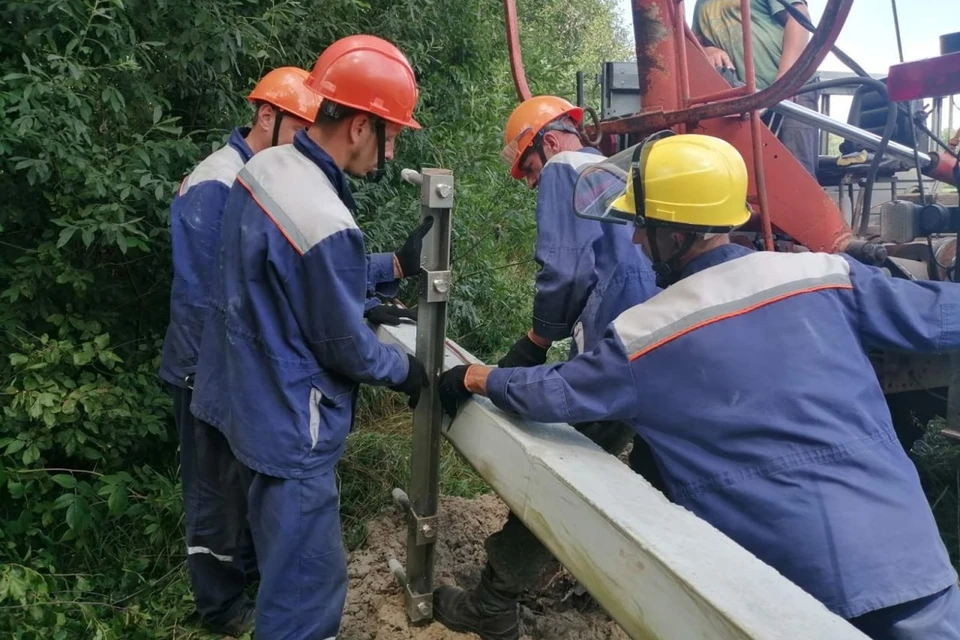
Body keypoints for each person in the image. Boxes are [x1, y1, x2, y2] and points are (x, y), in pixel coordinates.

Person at [438, 132, 960, 640]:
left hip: (782, 596)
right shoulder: (827, 275)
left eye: (644, 226)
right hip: (913, 566)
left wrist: (478, 375)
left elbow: (555, 392)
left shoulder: (647, 335)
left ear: (679, 233)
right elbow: (941, 315)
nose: (637, 240)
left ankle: (500, 601)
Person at [188, 35, 430, 640]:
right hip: (293, 425)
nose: (389, 149)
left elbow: (277, 281)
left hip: (241, 399)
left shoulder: (264, 168)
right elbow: (343, 346)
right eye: (391, 133)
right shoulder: (325, 218)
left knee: (272, 559)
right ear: (357, 125)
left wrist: (375, 278)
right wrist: (411, 373)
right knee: (305, 593)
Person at [430, 96, 661, 640]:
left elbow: (563, 269)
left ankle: (493, 601)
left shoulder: (566, 169)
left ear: (550, 141)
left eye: (528, 167)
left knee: (561, 469)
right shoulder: (620, 173)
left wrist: (535, 342)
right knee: (658, 482)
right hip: (659, 342)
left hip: (619, 350)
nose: (533, 182)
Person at [158, 66, 323, 636]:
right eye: (300, 130)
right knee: (215, 492)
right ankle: (219, 607)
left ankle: (245, 583)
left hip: (236, 365)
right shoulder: (218, 181)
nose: (306, 146)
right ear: (267, 116)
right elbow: (212, 293)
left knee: (243, 482)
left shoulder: (259, 180)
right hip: (204, 367)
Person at [692, 0, 820, 177]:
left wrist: (785, 80)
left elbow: (799, 17)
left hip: (793, 87)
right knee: (753, 174)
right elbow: (693, 44)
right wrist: (709, 50)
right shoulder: (702, 3)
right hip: (749, 99)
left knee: (798, 173)